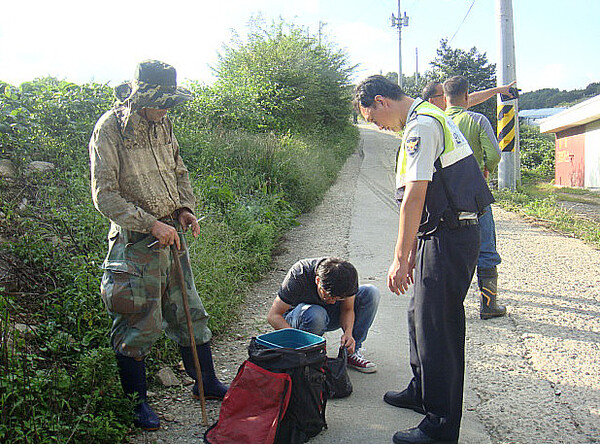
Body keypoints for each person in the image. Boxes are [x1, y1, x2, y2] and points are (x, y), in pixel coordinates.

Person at [89, 60, 228, 431]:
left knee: (190, 313)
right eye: (161, 101)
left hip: (173, 237)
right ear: (140, 96)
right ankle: (137, 405)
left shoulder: (164, 123)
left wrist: (184, 209)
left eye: (170, 102)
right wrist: (149, 223)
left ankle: (207, 384)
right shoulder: (110, 129)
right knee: (137, 324)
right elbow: (105, 196)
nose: (167, 109)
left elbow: (179, 170)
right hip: (136, 244)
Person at [354, 75, 494, 444]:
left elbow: (415, 197)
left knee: (439, 328)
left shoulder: (423, 125)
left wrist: (400, 258)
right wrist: (414, 250)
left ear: (381, 101)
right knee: (419, 315)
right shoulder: (426, 116)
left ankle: (440, 425)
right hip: (440, 233)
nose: (377, 125)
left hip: (451, 235)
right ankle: (422, 392)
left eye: (372, 118)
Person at [444, 75, 507, 319]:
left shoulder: (436, 121)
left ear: (445, 98)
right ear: (467, 96)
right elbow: (494, 154)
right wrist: (485, 168)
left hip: (445, 197)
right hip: (475, 194)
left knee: (447, 249)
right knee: (486, 247)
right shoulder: (477, 119)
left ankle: (448, 306)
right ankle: (488, 305)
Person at [267, 257, 381, 373]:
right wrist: (296, 339)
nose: (333, 302)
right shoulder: (299, 274)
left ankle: (351, 353)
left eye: (339, 298)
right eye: (329, 296)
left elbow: (347, 309)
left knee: (371, 293)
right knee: (315, 314)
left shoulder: (347, 277)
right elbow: (273, 316)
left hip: (328, 316)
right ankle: (309, 357)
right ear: (317, 281)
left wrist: (348, 333)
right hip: (301, 317)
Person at [422, 80, 516, 110]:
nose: (447, 96)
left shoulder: (451, 112)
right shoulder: (425, 122)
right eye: (444, 94)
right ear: (432, 101)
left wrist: (498, 90)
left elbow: (473, 98)